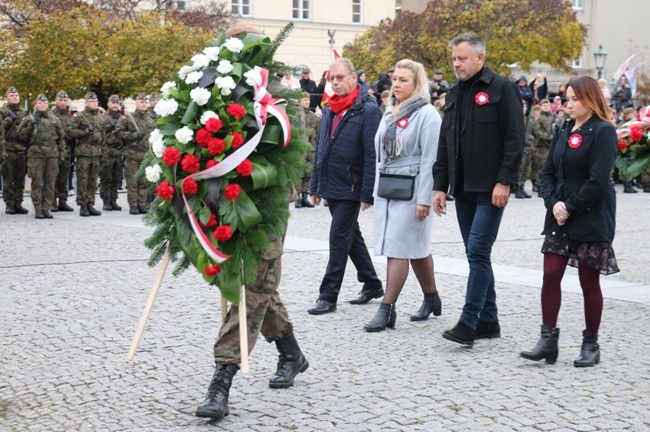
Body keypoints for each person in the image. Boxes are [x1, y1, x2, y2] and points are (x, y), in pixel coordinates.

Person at [195, 22, 309, 422]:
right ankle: (292, 353)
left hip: (266, 204)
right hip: (223, 202)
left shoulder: (278, 96)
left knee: (254, 286)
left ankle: (221, 380)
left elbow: (290, 153)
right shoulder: (215, 89)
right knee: (263, 285)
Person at [432, 33, 525, 346]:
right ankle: (489, 320)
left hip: (490, 189)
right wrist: (440, 186)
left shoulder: (502, 88)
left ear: (479, 58)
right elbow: (446, 143)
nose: (456, 64)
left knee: (478, 251)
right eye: (454, 58)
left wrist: (505, 180)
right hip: (463, 189)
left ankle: (469, 322)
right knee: (476, 255)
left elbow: (515, 139)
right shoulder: (455, 92)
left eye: (462, 58)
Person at [520, 76, 619, 367]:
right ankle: (548, 339)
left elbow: (598, 180)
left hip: (590, 214)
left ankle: (591, 343)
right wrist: (554, 204)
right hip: (560, 213)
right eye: (567, 98)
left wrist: (571, 207)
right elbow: (546, 172)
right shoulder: (562, 128)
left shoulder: (603, 132)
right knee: (550, 273)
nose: (569, 104)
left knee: (589, 280)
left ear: (591, 99)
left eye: (576, 99)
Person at [364, 59, 442, 332]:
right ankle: (432, 297)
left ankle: (387, 308)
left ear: (417, 84)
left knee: (398, 249)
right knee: (415, 249)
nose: (396, 84)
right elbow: (380, 154)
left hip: (412, 190)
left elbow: (431, 159)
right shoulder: (390, 111)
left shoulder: (428, 115)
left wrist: (424, 198)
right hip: (388, 188)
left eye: (403, 80)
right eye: (395, 79)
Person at [308, 57, 384, 314]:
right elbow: (322, 149)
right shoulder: (330, 108)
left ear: (354, 78)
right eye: (332, 78)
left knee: (338, 237)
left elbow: (372, 154)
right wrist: (315, 185)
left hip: (352, 185)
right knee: (351, 235)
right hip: (332, 182)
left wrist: (367, 193)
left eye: (340, 77)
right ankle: (371, 283)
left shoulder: (368, 109)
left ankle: (328, 295)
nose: (336, 82)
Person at [17, 94, 66, 219]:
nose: (43, 105)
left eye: (45, 103)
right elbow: (21, 137)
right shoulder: (29, 119)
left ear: (48, 105)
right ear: (36, 105)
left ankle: (46, 208)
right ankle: (38, 209)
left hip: (52, 155)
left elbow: (61, 139)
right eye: (40, 103)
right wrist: (30, 126)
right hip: (36, 156)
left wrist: (61, 155)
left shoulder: (54, 120)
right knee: (36, 183)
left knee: (50, 183)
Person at [115, 93, 156, 214]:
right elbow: (118, 132)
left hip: (145, 155)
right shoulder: (128, 118)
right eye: (141, 102)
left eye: (146, 102)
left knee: (144, 182)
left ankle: (142, 204)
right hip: (132, 155)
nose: (144, 104)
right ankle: (133, 205)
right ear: (136, 103)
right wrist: (132, 135)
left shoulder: (151, 120)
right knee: (132, 182)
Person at [67, 92, 105, 217]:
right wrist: (84, 131)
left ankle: (90, 203)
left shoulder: (100, 117)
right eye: (92, 101)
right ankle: (83, 205)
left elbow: (103, 135)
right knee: (83, 180)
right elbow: (70, 132)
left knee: (93, 180)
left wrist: (102, 149)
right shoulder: (79, 116)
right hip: (83, 153)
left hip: (96, 153)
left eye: (96, 101)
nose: (95, 103)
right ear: (86, 102)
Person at [0, 87, 30, 215]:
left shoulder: (24, 112)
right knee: (9, 178)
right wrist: (9, 120)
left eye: (16, 95)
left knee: (20, 179)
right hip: (9, 148)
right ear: (7, 97)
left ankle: (18, 202)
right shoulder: (3, 111)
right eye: (11, 95)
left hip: (22, 148)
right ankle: (9, 204)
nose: (14, 97)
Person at [49, 91, 75, 212]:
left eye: (65, 100)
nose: (62, 102)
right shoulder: (50, 114)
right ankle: (52, 201)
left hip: (67, 150)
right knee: (53, 176)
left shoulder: (71, 116)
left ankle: (63, 201)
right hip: (53, 150)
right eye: (60, 100)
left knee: (64, 176)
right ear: (56, 100)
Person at [293, 92, 320, 208]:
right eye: (304, 100)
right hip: (300, 147)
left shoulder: (312, 116)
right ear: (299, 101)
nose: (307, 102)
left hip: (311, 147)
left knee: (309, 172)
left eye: (308, 100)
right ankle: (297, 197)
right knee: (299, 172)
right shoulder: (296, 115)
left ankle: (305, 196)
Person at [100, 94, 125, 211]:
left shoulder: (122, 118)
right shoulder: (102, 117)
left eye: (117, 103)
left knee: (116, 177)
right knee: (106, 177)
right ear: (108, 104)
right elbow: (99, 133)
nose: (115, 105)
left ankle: (113, 199)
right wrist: (109, 127)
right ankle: (106, 200)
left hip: (119, 151)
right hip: (107, 150)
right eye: (113, 103)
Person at [529, 99, 554, 194]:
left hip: (549, 145)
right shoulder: (539, 118)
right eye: (544, 106)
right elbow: (537, 132)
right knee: (539, 166)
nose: (547, 107)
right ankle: (537, 184)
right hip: (540, 145)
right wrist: (549, 137)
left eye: (548, 106)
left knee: (545, 166)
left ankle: (541, 185)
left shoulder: (551, 117)